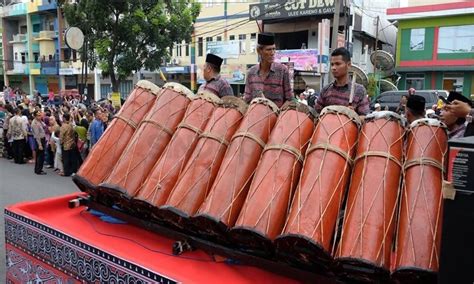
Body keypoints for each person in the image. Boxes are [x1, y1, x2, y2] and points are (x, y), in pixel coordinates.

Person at [315, 47, 369, 116]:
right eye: (332, 64)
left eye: (338, 64)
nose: (333, 68)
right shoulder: (326, 90)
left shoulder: (359, 90)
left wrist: (354, 115)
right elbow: (316, 115)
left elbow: (365, 118)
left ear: (348, 65)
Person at [243, 33, 293, 107]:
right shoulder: (251, 73)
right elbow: (247, 100)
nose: (272, 53)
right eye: (269, 50)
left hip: (277, 116)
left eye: (274, 49)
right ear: (259, 51)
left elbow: (289, 99)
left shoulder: (283, 71)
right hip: (256, 115)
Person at [31, 110, 47, 175]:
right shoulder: (35, 123)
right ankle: (39, 170)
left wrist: (41, 120)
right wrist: (40, 144)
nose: (40, 116)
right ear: (35, 116)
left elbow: (44, 126)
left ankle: (37, 169)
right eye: (38, 115)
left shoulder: (39, 121)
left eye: (40, 115)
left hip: (42, 139)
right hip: (39, 140)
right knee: (40, 156)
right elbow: (37, 135)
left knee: (40, 155)